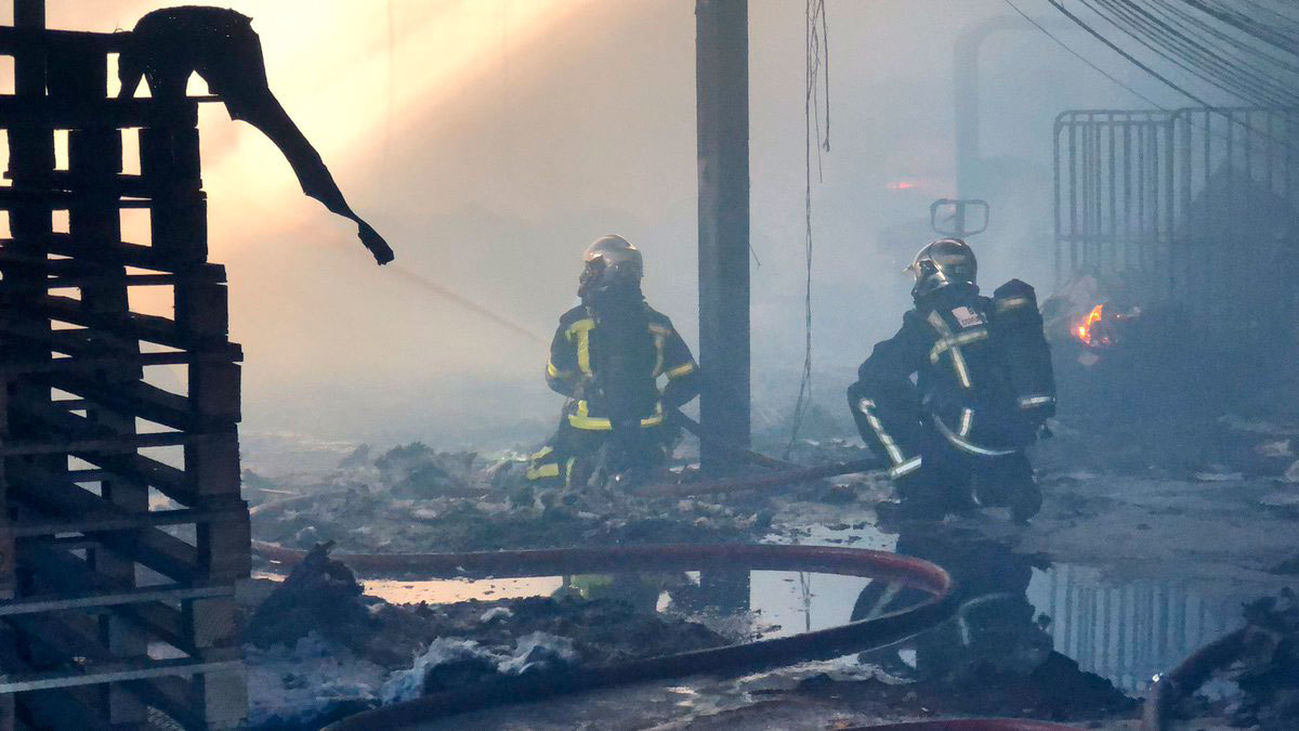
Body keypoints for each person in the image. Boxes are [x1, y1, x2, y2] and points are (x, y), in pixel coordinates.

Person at [847, 238, 1055, 523]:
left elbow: (875, 371)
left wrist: (915, 406)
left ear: (932, 274)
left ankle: (918, 491)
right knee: (972, 487)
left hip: (962, 437)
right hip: (1013, 437)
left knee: (863, 394)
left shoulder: (927, 321)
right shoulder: (994, 311)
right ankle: (1006, 487)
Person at [527, 235, 700, 488]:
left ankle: (581, 472)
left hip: (587, 431)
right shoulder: (659, 324)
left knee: (537, 467)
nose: (587, 276)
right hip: (647, 434)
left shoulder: (574, 323)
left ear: (610, 271)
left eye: (593, 269)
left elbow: (555, 377)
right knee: (647, 464)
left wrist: (582, 387)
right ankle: (636, 471)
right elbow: (689, 378)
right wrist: (660, 402)